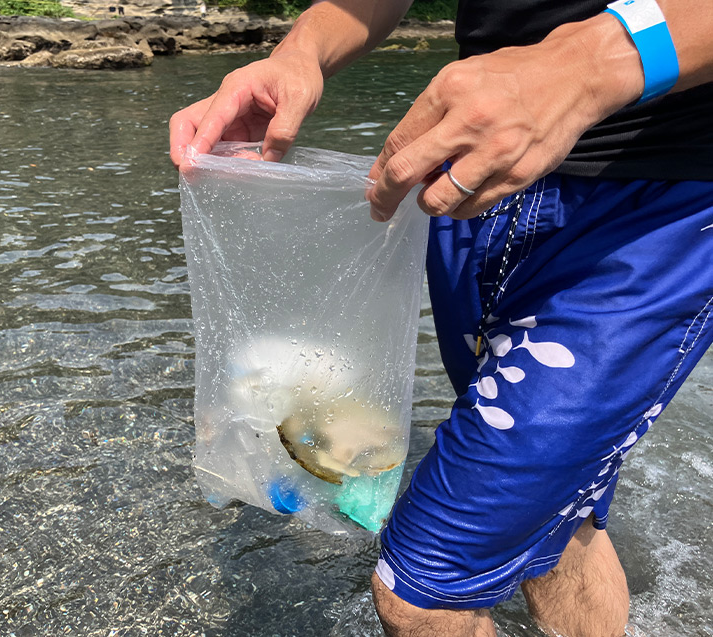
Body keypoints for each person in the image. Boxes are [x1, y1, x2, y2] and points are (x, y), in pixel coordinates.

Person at [169, 1, 713, 635]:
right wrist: (301, 52)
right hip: (468, 186)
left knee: (423, 592)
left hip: (657, 206)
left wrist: (589, 66)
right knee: (551, 510)